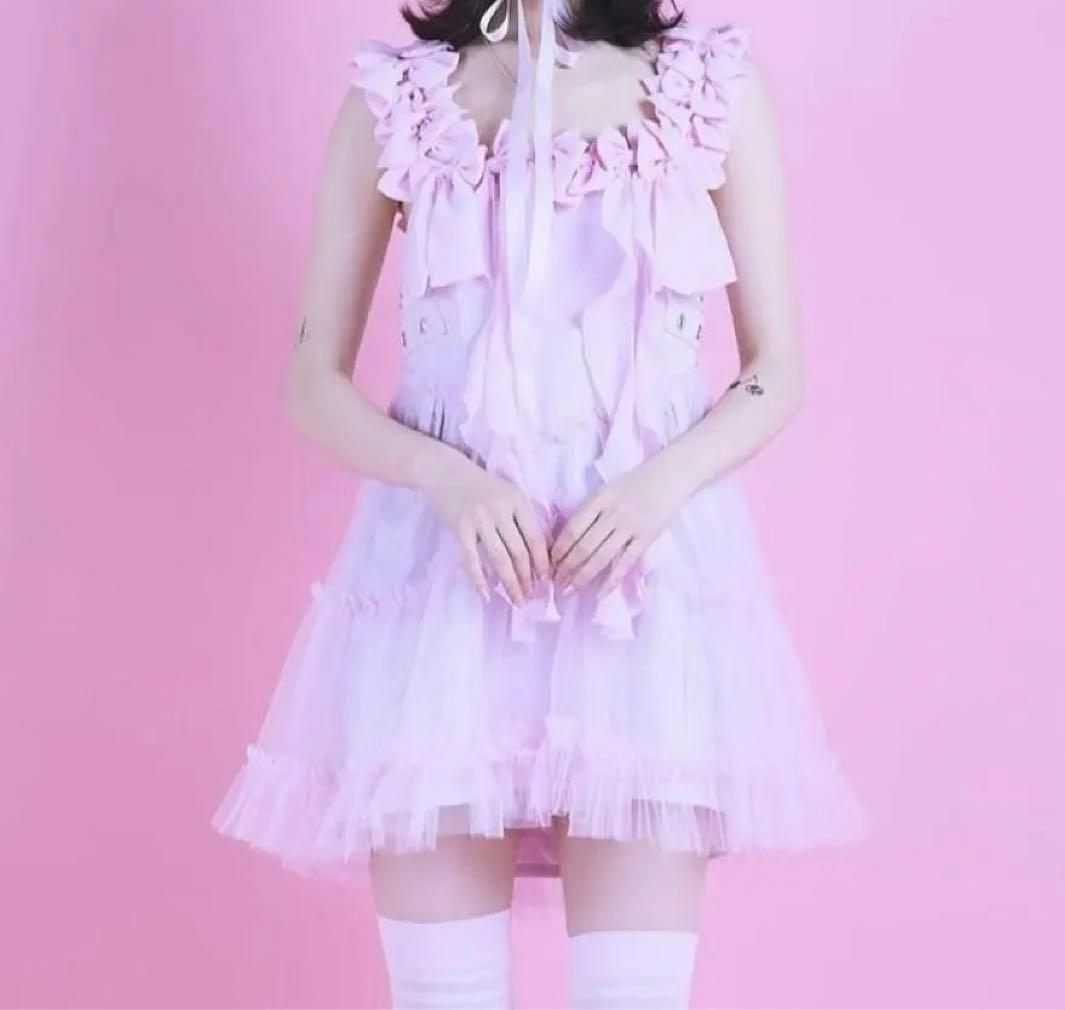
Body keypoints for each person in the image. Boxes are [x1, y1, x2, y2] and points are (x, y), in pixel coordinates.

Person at [212, 0, 870, 1006]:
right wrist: (447, 477)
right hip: (440, 604)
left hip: (639, 607)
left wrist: (659, 485)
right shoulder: (399, 98)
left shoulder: (709, 89)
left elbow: (775, 369)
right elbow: (313, 380)